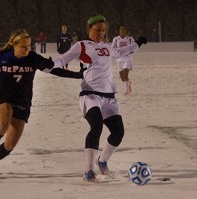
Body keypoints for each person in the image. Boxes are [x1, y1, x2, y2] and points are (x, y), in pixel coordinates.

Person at [0, 28, 84, 175]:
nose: (27, 49)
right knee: (3, 123)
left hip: (23, 99)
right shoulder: (4, 58)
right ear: (14, 45)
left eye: (29, 46)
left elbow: (55, 70)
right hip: (3, 95)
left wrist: (78, 75)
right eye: (23, 46)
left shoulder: (33, 58)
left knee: (10, 144)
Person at [53, 15, 147, 182]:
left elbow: (121, 52)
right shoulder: (81, 45)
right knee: (96, 127)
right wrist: (45, 65)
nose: (101, 33)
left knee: (118, 132)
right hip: (90, 94)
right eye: (98, 30)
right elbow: (62, 59)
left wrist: (137, 43)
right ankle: (89, 171)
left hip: (109, 96)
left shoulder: (107, 46)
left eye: (103, 30)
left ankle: (102, 160)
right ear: (89, 29)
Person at [111, 24, 135, 95]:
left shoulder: (130, 39)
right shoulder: (116, 39)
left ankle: (127, 91)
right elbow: (112, 48)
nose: (122, 30)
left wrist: (130, 51)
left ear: (126, 30)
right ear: (119, 30)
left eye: (124, 29)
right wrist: (116, 52)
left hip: (127, 59)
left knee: (125, 76)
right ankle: (129, 83)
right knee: (122, 78)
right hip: (119, 59)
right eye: (121, 29)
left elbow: (135, 47)